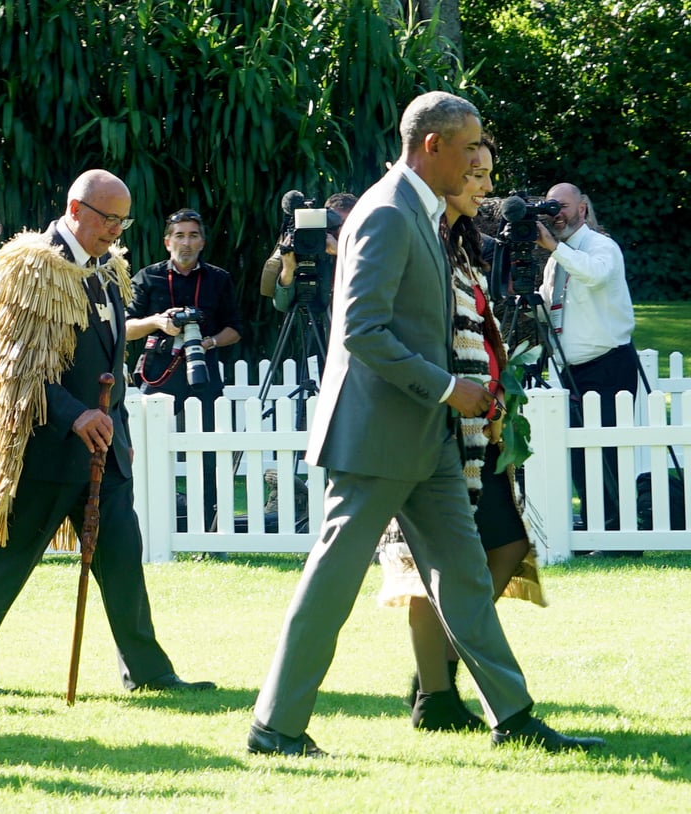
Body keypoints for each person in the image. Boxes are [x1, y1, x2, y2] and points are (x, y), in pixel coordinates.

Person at [247, 91, 605, 757]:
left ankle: (514, 716)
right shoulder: (386, 213)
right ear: (432, 146)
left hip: (425, 438)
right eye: (469, 147)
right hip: (377, 439)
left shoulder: (423, 212)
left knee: (466, 576)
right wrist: (448, 388)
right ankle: (275, 727)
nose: (479, 161)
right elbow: (361, 332)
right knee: (330, 586)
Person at [0, 169, 214, 695]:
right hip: (46, 447)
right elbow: (13, 368)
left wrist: (116, 427)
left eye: (122, 220)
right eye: (108, 218)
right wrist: (74, 414)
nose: (116, 230)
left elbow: (108, 354)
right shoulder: (31, 266)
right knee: (10, 559)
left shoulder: (110, 269)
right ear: (75, 209)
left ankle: (149, 672)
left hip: (104, 451)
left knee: (122, 554)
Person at [376, 135, 546, 732]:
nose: (488, 188)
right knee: (428, 565)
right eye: (478, 176)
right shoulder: (416, 235)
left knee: (504, 547)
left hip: (480, 425)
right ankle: (435, 696)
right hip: (434, 423)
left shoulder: (464, 244)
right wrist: (454, 396)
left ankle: (437, 679)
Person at [125, 209, 243, 531]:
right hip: (159, 369)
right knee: (146, 452)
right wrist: (158, 322)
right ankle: (144, 527)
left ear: (202, 242)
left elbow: (236, 328)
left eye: (192, 235)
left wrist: (209, 342)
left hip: (202, 370)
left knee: (207, 454)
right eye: (179, 236)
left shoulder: (218, 279)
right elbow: (124, 326)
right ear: (167, 242)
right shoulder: (148, 277)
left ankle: (205, 530)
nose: (186, 243)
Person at [535, 182, 638, 544]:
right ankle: (595, 527)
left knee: (608, 453)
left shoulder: (600, 246)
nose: (555, 214)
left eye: (561, 206)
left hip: (608, 365)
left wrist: (555, 249)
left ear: (582, 208)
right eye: (549, 208)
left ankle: (619, 536)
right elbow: (548, 310)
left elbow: (594, 275)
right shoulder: (556, 260)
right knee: (579, 454)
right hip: (572, 371)